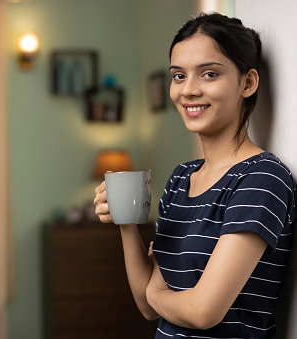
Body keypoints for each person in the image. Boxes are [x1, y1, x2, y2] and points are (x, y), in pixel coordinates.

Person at [94, 13, 296, 339]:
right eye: (178, 76)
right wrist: (127, 222)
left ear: (248, 83)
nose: (188, 90)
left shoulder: (263, 177)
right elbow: (147, 305)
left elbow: (203, 312)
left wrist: (157, 296)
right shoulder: (181, 178)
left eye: (209, 74)